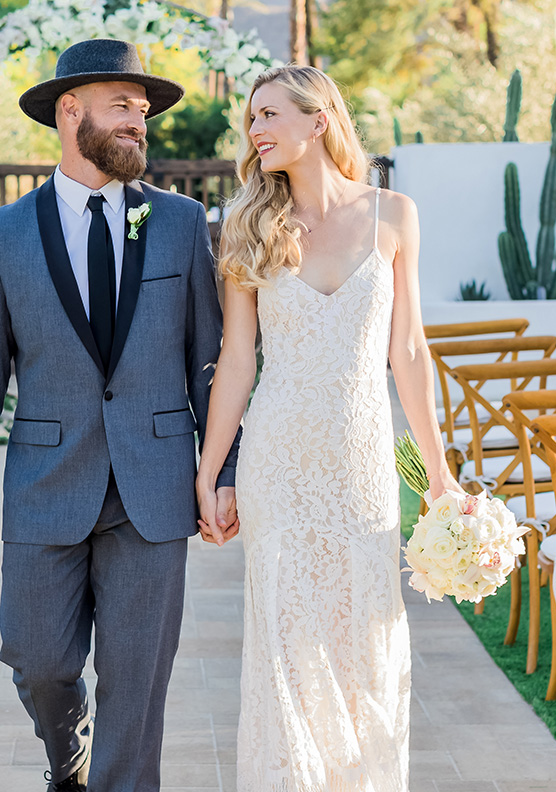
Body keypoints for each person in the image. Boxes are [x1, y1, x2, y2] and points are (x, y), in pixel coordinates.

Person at [0, 39, 239, 792]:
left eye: (143, 110)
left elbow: (212, 362)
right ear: (70, 112)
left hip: (156, 488)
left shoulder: (177, 222)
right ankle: (65, 751)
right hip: (48, 483)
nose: (139, 121)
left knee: (137, 690)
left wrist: (222, 472)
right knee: (39, 662)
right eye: (122, 106)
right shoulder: (4, 233)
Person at [195, 65, 464, 791]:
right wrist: (212, 470)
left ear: (319, 121)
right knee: (285, 650)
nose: (254, 130)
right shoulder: (245, 223)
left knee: (362, 648)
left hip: (362, 463)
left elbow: (409, 352)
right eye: (251, 118)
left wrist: (440, 476)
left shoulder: (395, 214)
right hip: (278, 462)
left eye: (270, 114)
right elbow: (237, 359)